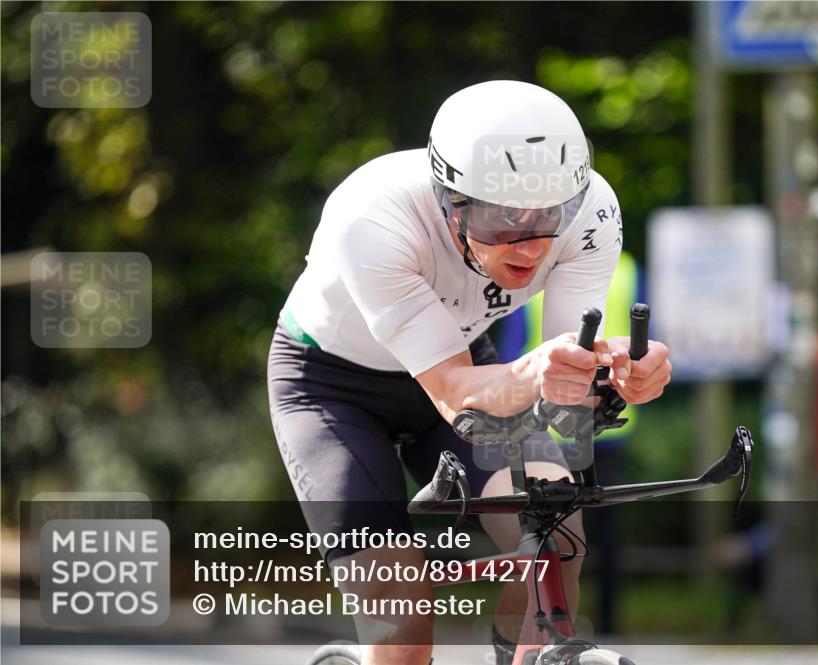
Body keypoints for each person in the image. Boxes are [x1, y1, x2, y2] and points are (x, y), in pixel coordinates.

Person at [266, 80, 672, 665]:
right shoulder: (373, 215)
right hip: (334, 388)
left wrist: (618, 376)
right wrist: (540, 374)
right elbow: (459, 397)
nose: (530, 243)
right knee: (402, 605)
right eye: (500, 219)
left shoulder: (591, 211)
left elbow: (565, 380)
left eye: (546, 215)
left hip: (470, 363)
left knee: (556, 537)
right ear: (448, 200)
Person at [496, 249, 644, 635]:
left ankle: (549, 624)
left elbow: (513, 348)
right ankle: (605, 622)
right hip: (605, 420)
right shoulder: (627, 267)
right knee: (601, 530)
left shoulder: (527, 263)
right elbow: (643, 338)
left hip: (544, 418)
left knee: (545, 529)